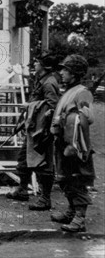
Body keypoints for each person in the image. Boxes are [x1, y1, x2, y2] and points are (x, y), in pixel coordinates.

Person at [6, 54, 60, 210]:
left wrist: (31, 107)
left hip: (42, 131)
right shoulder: (41, 79)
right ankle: (22, 189)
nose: (34, 64)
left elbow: (52, 107)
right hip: (33, 127)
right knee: (24, 158)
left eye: (37, 62)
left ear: (44, 66)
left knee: (43, 163)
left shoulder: (49, 83)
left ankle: (45, 199)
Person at [49, 54, 95, 233]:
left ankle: (79, 218)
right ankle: (71, 210)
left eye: (65, 70)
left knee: (77, 178)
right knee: (64, 178)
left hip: (75, 144)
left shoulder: (82, 92)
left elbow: (86, 118)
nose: (61, 72)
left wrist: (68, 115)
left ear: (74, 74)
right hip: (62, 141)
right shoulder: (68, 90)